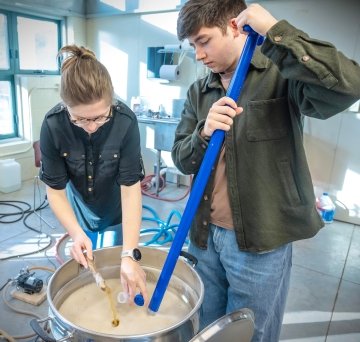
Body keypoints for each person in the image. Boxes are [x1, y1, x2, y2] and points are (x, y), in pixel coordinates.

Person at [172, 1, 360, 341]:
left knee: (251, 333)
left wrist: (277, 30)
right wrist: (202, 133)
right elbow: (181, 158)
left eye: (203, 41)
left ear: (233, 26)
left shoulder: (282, 76)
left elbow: (350, 85)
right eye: (192, 45)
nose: (198, 55)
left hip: (259, 241)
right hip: (202, 236)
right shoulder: (198, 91)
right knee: (207, 329)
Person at [39, 45, 148, 304]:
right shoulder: (53, 125)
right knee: (87, 274)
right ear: (66, 106)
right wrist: (76, 233)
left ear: (111, 101)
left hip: (116, 209)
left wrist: (129, 254)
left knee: (117, 267)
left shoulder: (125, 122)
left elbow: (131, 188)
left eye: (100, 118)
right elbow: (54, 190)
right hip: (78, 210)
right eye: (80, 120)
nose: (90, 127)